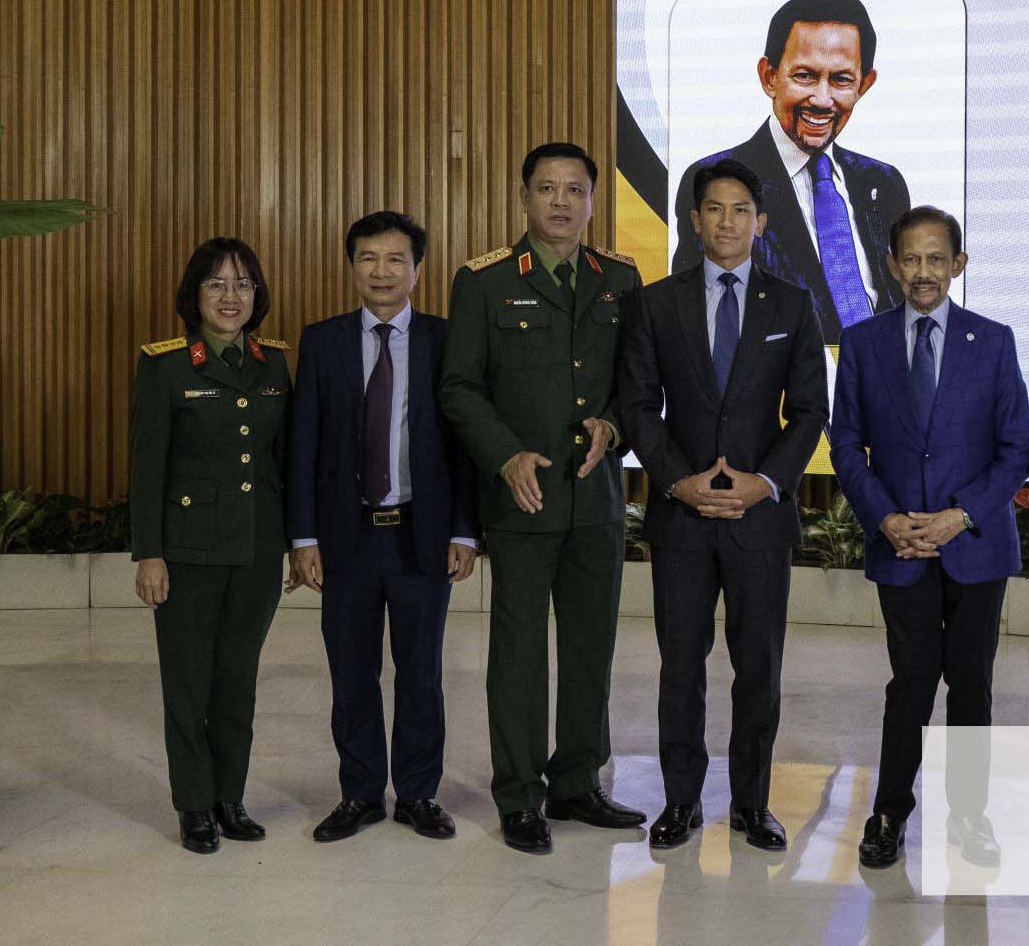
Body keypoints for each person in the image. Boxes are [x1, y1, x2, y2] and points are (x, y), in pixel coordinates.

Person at [439, 142, 647, 854]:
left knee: (591, 648)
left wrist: (613, 426)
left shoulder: (621, 278)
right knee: (520, 654)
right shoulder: (485, 281)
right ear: (523, 197)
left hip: (596, 500)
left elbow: (637, 384)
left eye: (575, 189)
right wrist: (504, 455)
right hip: (522, 502)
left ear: (592, 201)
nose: (561, 201)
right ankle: (521, 794)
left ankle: (578, 783)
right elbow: (459, 387)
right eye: (547, 188)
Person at [619, 158, 828, 852]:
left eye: (741, 210)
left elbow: (808, 411)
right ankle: (680, 802)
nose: (728, 222)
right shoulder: (657, 302)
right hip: (681, 519)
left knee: (758, 670)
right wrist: (677, 480)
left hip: (759, 520)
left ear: (761, 223)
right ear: (695, 219)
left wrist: (763, 482)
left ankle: (751, 803)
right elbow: (639, 406)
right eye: (715, 209)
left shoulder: (792, 304)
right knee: (680, 667)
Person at [829, 205, 1029, 870]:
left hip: (975, 545)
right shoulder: (863, 343)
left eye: (937, 259)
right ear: (892, 265)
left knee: (971, 683)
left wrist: (958, 516)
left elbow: (1016, 450)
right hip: (900, 545)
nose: (924, 272)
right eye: (912, 259)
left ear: (958, 264)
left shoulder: (993, 341)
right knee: (911, 681)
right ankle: (889, 812)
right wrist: (886, 518)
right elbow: (845, 445)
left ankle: (970, 816)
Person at [286, 211, 480, 843]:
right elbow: (303, 444)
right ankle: (361, 793)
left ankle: (419, 794)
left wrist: (464, 530)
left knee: (421, 672)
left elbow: (463, 444)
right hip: (347, 536)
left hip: (421, 534)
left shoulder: (445, 340)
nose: (382, 271)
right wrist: (304, 537)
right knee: (351, 672)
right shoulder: (323, 342)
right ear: (351, 267)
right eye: (368, 258)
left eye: (396, 259)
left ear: (417, 270)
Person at [129, 237, 292, 854]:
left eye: (243, 284)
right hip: (188, 552)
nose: (230, 296)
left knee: (237, 681)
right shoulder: (165, 365)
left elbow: (284, 462)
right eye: (216, 284)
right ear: (193, 295)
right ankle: (194, 803)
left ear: (258, 295)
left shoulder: (274, 364)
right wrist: (149, 553)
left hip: (256, 549)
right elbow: (147, 467)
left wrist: (298, 542)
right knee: (188, 684)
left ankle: (230, 797)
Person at [670, 0, 911, 341]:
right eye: (805, 76)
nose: (823, 99)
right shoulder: (713, 180)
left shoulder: (884, 182)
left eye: (842, 79)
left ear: (864, 84)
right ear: (769, 76)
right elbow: (695, 320)